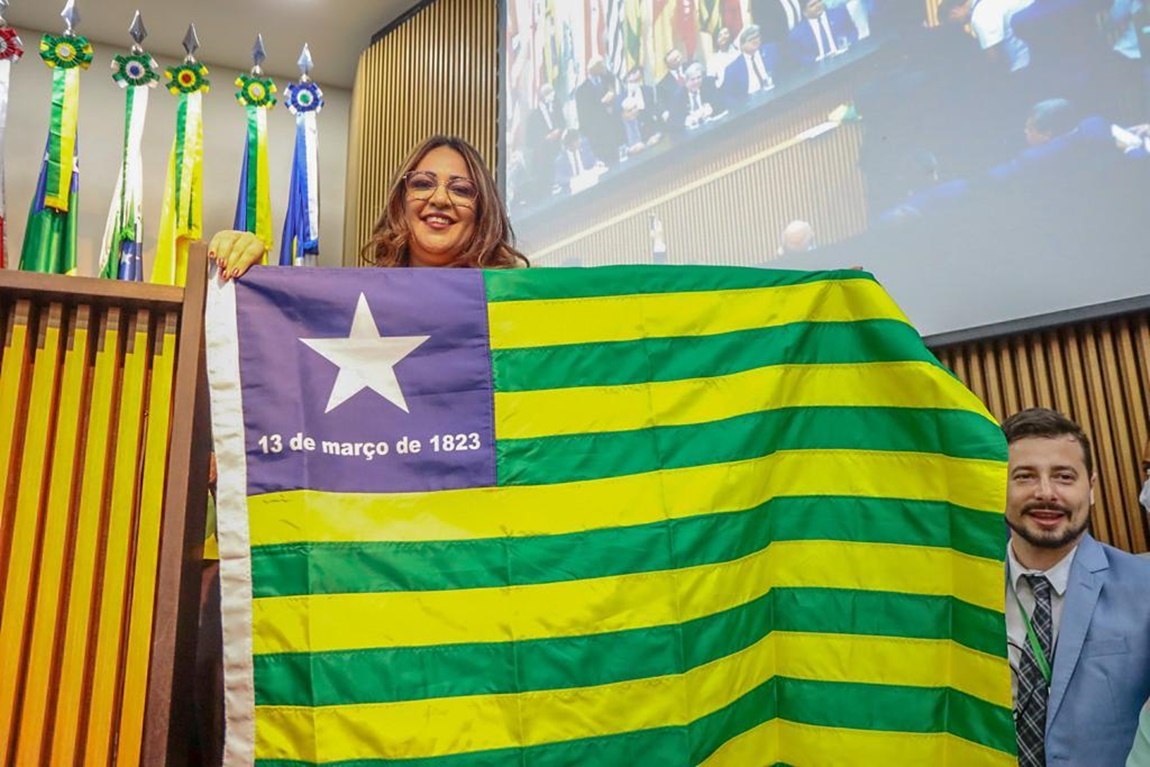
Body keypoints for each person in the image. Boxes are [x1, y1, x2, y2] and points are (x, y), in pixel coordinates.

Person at [1001, 408, 1150, 767]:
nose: (1046, 493)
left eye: (1064, 477)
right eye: (1024, 476)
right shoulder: (963, 596)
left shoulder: (1145, 587)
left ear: (1092, 488)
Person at [212, 135, 529, 277]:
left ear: (483, 210)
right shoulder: (358, 300)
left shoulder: (517, 299)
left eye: (461, 189)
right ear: (399, 203)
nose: (440, 199)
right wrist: (254, 275)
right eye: (422, 183)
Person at [723, 25, 775, 103]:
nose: (755, 41)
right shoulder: (732, 69)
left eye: (756, 37)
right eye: (750, 39)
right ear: (742, 45)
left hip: (775, 97)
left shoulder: (770, 51)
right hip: (752, 105)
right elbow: (729, 97)